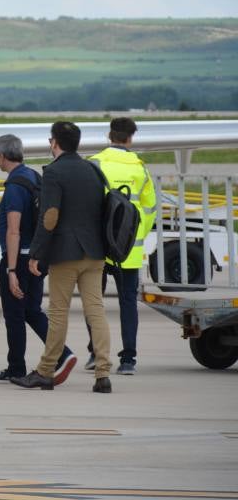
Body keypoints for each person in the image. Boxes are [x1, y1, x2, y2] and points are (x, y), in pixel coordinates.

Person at [11, 121, 113, 393]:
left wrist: (36, 253)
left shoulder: (54, 172)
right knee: (96, 311)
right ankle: (103, 373)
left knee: (58, 313)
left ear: (54, 143)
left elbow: (50, 217)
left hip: (66, 255)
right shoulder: (93, 169)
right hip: (95, 253)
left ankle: (45, 371)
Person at [0, 134, 76, 385]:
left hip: (19, 259)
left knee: (14, 315)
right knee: (32, 311)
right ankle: (63, 354)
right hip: (37, 257)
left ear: (1, 156)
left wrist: (11, 269)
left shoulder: (15, 185)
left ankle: (16, 368)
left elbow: (13, 230)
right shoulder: (34, 177)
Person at [84, 117, 156, 375]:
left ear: (109, 135)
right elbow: (150, 208)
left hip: (99, 248)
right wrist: (134, 235)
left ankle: (95, 352)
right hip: (130, 250)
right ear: (130, 138)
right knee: (128, 303)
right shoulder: (140, 168)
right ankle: (128, 360)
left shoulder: (94, 163)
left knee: (93, 301)